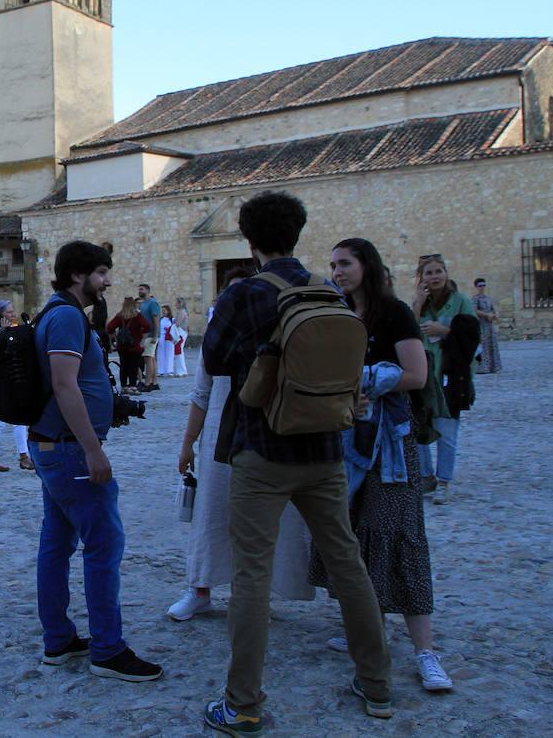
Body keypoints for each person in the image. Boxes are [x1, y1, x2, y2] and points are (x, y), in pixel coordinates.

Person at [201, 191, 391, 731]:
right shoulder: (328, 291)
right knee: (347, 563)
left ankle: (243, 703)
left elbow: (214, 359)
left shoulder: (245, 294)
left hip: (262, 446)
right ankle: (377, 685)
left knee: (252, 575)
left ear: (250, 239)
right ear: (298, 233)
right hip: (326, 447)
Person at [305, 238, 453, 693]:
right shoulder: (339, 313)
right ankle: (365, 627)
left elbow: (416, 374)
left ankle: (425, 651)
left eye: (345, 263)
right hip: (348, 438)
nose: (338, 271)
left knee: (400, 533)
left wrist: (370, 381)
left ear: (366, 265)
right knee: (350, 533)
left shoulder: (394, 314)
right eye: (332, 264)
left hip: (390, 444)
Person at [27, 241, 162, 682]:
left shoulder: (58, 312)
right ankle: (107, 649)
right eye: (101, 273)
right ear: (77, 275)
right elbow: (65, 386)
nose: (107, 281)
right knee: (104, 544)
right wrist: (93, 448)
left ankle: (59, 640)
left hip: (54, 444)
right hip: (70, 450)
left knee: (57, 543)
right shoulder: (66, 316)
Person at [169, 274, 315, 622]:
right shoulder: (216, 345)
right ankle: (199, 588)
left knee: (265, 519)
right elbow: (201, 395)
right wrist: (188, 444)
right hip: (220, 438)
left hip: (269, 437)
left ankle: (256, 595)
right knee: (212, 512)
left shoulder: (277, 340)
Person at [414, 254, 479, 503]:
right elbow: (409, 333)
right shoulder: (421, 304)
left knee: (447, 431)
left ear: (446, 273)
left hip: (451, 378)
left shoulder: (461, 302)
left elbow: (471, 337)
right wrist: (418, 304)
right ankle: (425, 477)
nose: (435, 276)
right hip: (425, 377)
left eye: (438, 271)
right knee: (420, 429)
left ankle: (444, 480)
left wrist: (446, 331)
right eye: (429, 273)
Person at [0, 300, 33, 472]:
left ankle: (24, 456)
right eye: (9, 312)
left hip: (12, 380)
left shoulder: (12, 331)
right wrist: (3, 333)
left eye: (12, 311)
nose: (13, 314)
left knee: (19, 421)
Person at [106, 297, 151, 394]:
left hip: (122, 346)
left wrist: (115, 338)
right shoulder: (137, 316)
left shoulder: (120, 316)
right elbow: (147, 326)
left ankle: (123, 387)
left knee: (123, 366)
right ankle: (132, 386)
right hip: (135, 345)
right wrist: (142, 338)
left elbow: (110, 327)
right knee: (133, 366)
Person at [471, 279, 502, 374]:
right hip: (481, 325)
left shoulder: (488, 298)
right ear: (476, 287)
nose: (482, 287)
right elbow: (474, 310)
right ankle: (484, 367)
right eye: (480, 285)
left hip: (489, 325)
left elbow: (493, 308)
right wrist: (486, 315)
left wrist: (495, 315)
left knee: (492, 345)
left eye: (483, 285)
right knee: (485, 346)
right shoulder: (475, 299)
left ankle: (494, 367)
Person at [137, 283, 161, 392]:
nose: (139, 291)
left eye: (141, 289)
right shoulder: (143, 304)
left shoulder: (152, 303)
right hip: (145, 335)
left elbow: (156, 320)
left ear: (147, 290)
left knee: (148, 358)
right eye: (139, 289)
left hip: (151, 335)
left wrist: (155, 336)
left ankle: (147, 383)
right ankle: (154, 382)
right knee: (151, 358)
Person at [156, 305, 175, 377]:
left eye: (164, 310)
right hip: (161, 337)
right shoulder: (160, 319)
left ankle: (169, 370)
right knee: (161, 354)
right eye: (162, 310)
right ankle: (161, 370)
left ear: (168, 311)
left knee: (169, 354)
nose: (163, 312)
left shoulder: (172, 320)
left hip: (169, 338)